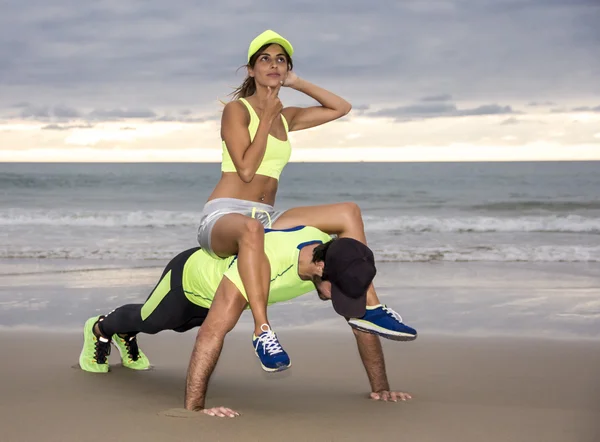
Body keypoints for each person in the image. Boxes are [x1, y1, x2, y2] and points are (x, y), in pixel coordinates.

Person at [197, 28, 388, 374]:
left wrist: (296, 82)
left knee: (348, 211)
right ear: (251, 69)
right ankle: (262, 331)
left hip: (268, 217)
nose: (274, 65)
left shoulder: (288, 117)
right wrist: (268, 114)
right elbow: (245, 169)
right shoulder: (237, 112)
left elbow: (341, 107)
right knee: (252, 228)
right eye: (265, 59)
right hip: (226, 216)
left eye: (281, 60)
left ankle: (370, 304)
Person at [78, 225, 417, 417]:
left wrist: (380, 389)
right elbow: (211, 336)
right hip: (187, 284)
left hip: (222, 298)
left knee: (183, 325)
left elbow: (362, 322)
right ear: (319, 267)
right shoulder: (260, 268)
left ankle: (125, 336)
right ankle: (101, 328)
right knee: (150, 320)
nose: (333, 298)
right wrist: (195, 411)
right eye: (336, 290)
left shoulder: (334, 256)